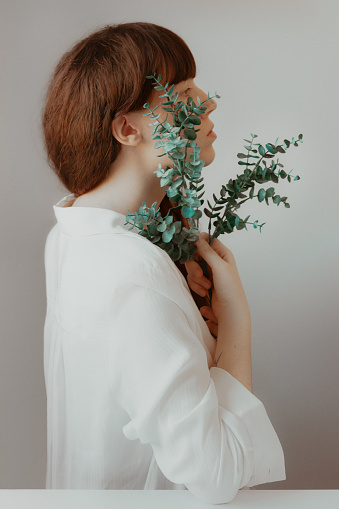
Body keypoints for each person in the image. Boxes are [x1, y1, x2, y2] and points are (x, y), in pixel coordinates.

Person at [42, 22, 286, 504]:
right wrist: (236, 319)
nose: (208, 102)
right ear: (127, 128)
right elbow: (215, 477)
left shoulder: (72, 229)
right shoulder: (131, 271)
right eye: (183, 91)